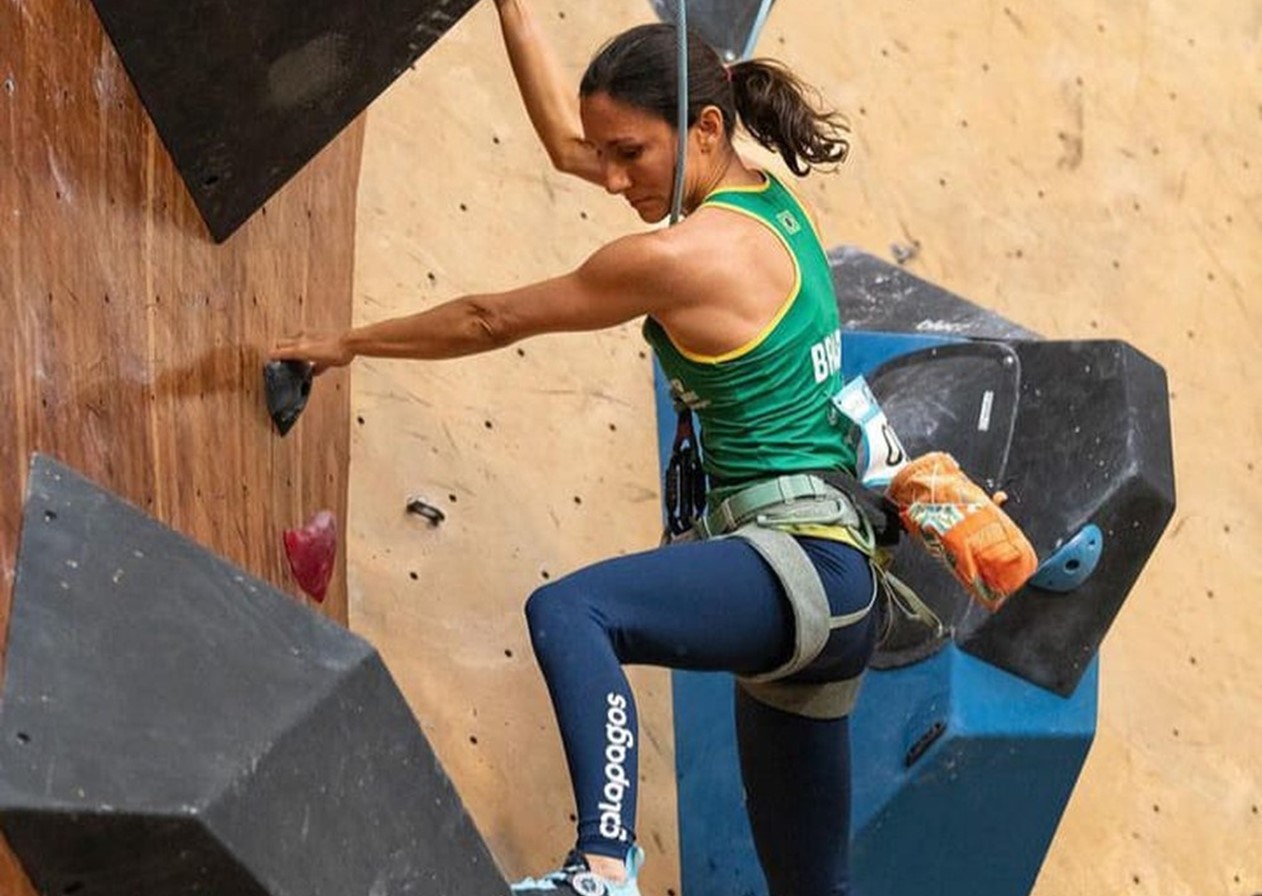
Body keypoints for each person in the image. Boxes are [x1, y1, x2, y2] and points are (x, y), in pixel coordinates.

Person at [273, 2, 878, 893]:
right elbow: (567, 139)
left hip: (798, 569)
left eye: (628, 154)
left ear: (705, 128)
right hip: (839, 592)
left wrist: (350, 343)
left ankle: (602, 865)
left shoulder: (682, 258)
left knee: (574, 614)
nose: (607, 177)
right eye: (609, 154)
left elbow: (490, 318)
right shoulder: (761, 196)